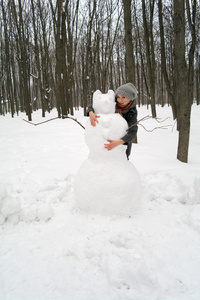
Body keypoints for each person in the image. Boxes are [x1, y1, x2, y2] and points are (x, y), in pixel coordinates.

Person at [87, 83, 138, 159]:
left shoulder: (132, 111)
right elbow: (95, 104)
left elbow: (133, 131)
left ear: (130, 98)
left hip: (122, 141)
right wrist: (91, 112)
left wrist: (119, 142)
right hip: (104, 141)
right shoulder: (113, 102)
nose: (120, 100)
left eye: (123, 97)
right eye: (118, 97)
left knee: (122, 158)